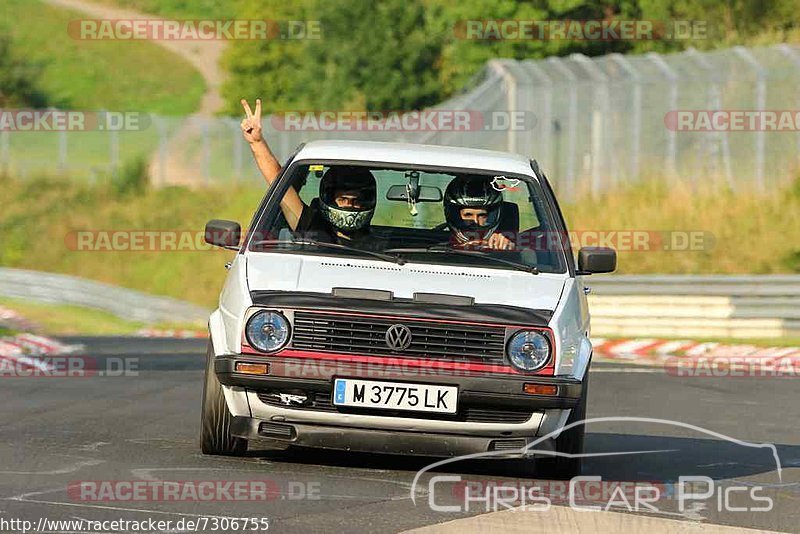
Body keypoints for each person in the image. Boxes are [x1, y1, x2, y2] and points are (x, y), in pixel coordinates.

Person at [240, 98, 377, 245]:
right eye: (342, 200)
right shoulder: (311, 229)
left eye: (356, 201)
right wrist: (257, 143)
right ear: (328, 198)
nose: (350, 206)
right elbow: (277, 180)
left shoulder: (385, 247)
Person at [443, 175, 515, 250]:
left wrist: (508, 249)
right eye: (468, 215)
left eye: (482, 215)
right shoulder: (435, 246)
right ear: (455, 216)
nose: (475, 221)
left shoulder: (500, 245)